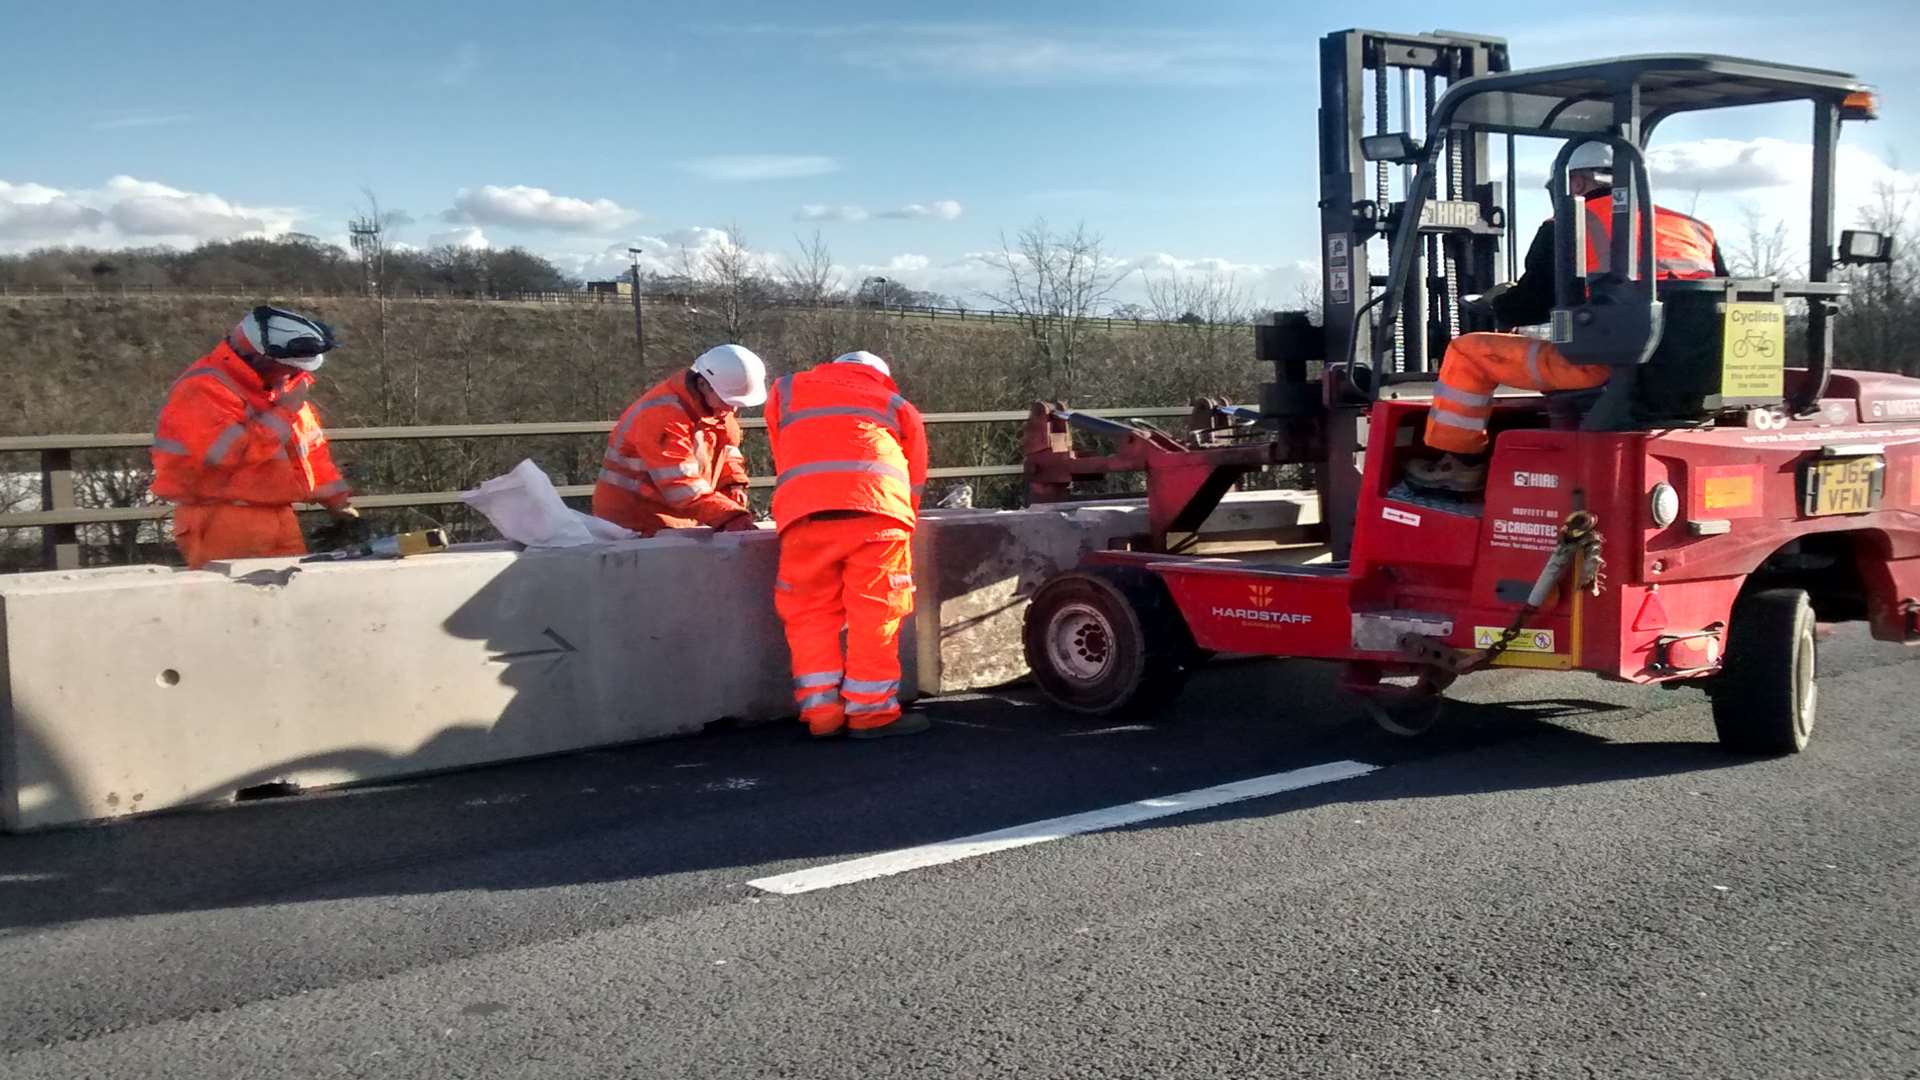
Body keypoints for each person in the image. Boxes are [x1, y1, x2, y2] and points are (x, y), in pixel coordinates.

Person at [1409, 142, 1728, 493]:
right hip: (1696, 376)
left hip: (1607, 368)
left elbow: (1531, 303)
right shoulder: (1695, 228)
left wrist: (1498, 305)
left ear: (1575, 184)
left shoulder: (1567, 224)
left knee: (1467, 351)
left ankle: (1459, 465)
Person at [766, 350, 930, 740]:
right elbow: (915, 476)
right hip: (878, 517)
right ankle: (871, 714)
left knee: (808, 614)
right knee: (875, 615)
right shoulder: (897, 405)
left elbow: (783, 447)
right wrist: (904, 520)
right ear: (879, 376)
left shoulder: (786, 390)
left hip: (804, 515)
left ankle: (821, 715)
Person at [150, 306, 357, 568]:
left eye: (295, 371)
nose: (291, 376)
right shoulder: (204, 388)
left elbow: (310, 453)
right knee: (238, 605)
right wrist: (283, 412)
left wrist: (338, 502)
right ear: (258, 357)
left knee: (287, 604)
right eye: (286, 369)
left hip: (279, 515)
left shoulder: (283, 391)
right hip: (222, 519)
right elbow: (228, 456)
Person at [593, 344, 767, 535]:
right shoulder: (662, 417)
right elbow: (679, 484)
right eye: (728, 401)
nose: (733, 410)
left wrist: (732, 484)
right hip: (634, 525)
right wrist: (728, 514)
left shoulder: (715, 410)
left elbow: (726, 452)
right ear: (702, 384)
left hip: (677, 521)